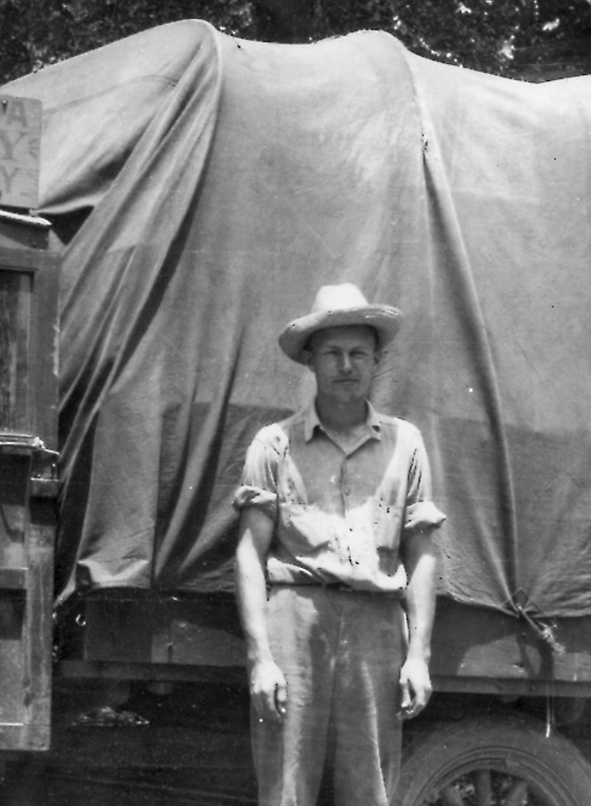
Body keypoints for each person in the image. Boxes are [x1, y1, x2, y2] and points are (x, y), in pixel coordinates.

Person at [231, 283, 446, 805]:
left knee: (369, 789)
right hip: (296, 623)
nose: (346, 365)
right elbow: (249, 554)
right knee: (286, 786)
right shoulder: (274, 445)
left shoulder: (406, 444)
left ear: (376, 361)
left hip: (376, 626)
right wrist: (261, 658)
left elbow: (423, 556)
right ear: (310, 360)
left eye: (358, 353)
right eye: (332, 353)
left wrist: (418, 656)